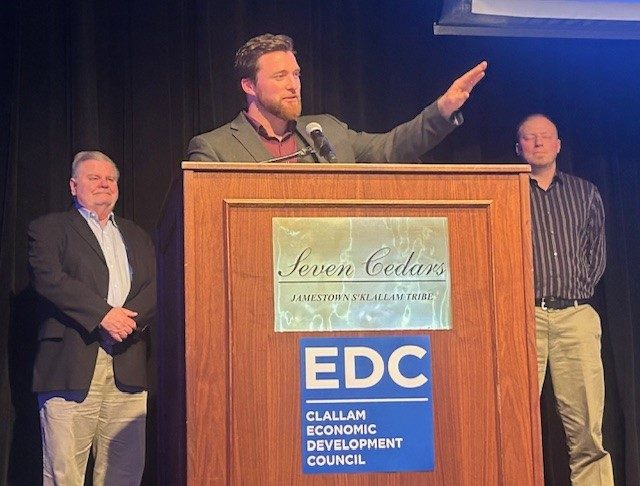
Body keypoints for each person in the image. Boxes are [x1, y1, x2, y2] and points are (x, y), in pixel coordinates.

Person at [28, 151, 157, 485]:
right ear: (74, 186)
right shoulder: (49, 229)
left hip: (127, 361)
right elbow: (50, 279)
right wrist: (103, 316)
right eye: (94, 178)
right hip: (70, 364)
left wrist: (127, 322)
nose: (104, 184)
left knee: (124, 472)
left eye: (111, 179)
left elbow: (157, 285)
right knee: (64, 473)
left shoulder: (137, 235)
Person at [187, 33, 487, 162]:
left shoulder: (326, 131)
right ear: (249, 86)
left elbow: (391, 147)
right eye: (280, 76)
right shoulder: (215, 149)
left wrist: (441, 110)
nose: (293, 85)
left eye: (296, 74)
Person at [516, 114, 613, 486]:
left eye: (546, 136)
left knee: (587, 429)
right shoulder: (508, 191)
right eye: (530, 137)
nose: (538, 142)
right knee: (514, 420)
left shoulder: (585, 193)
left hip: (576, 317)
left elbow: (596, 254)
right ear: (519, 147)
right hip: (524, 317)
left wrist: (574, 291)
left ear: (558, 145)